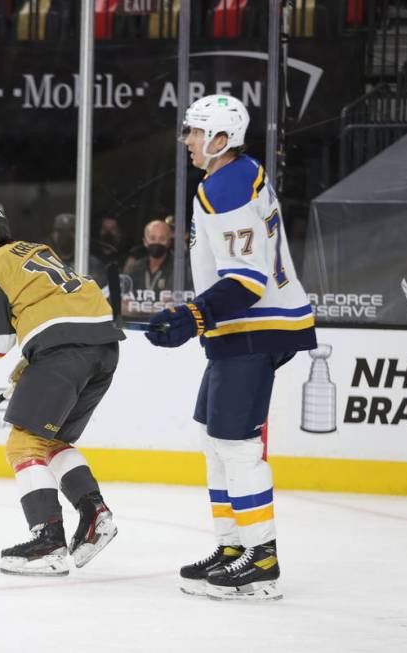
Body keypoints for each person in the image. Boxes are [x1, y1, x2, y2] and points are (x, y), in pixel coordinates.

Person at [144, 95, 316, 601]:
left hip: (254, 327)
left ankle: (260, 561)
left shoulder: (227, 184)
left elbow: (248, 279)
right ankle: (232, 547)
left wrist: (193, 317)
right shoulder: (230, 177)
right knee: (214, 439)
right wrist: (198, 316)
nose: (189, 142)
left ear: (221, 139)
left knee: (238, 446)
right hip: (239, 329)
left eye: (197, 133)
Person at [0, 204, 124, 576]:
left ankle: (48, 540)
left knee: (23, 446)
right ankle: (96, 515)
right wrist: (33, 356)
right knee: (52, 440)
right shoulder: (34, 249)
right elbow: (50, 307)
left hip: (63, 351)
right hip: (103, 345)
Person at [49, 212, 107, 287]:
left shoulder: (91, 264)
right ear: (54, 235)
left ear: (78, 234)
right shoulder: (47, 262)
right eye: (60, 231)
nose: (65, 236)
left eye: (70, 231)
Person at [123, 218, 175, 296]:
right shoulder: (135, 268)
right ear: (145, 241)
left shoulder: (179, 269)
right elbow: (125, 296)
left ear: (169, 242)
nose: (157, 242)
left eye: (162, 239)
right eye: (152, 238)